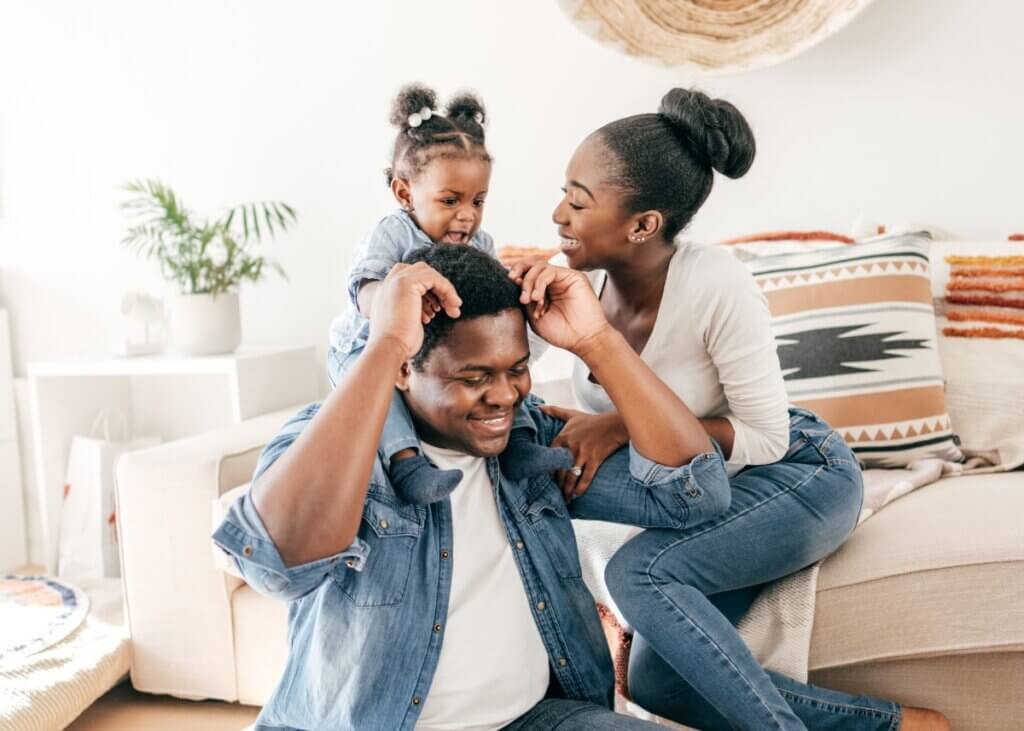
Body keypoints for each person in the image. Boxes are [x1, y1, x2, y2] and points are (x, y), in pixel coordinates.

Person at [509, 88, 950, 730]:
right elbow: (504, 374)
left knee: (642, 574)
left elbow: (766, 437)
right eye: (563, 193)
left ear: (643, 225)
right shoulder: (579, 283)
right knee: (660, 683)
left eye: (578, 201)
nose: (558, 214)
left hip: (798, 476)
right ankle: (899, 727)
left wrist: (618, 420)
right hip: (700, 488)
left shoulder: (716, 284)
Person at [213, 244, 733, 730]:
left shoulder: (532, 439)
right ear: (402, 370)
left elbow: (697, 492)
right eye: (473, 378)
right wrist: (386, 340)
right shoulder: (337, 443)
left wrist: (598, 342)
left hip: (537, 719)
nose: (504, 395)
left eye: (518, 369)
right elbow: (275, 567)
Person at [326, 83, 569, 506]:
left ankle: (522, 445)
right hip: (366, 345)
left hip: (433, 356)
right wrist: (392, 306)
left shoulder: (480, 244)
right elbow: (364, 288)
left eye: (478, 201)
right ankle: (407, 463)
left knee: (503, 373)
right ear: (405, 193)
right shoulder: (394, 232)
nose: (467, 215)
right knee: (378, 398)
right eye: (451, 200)